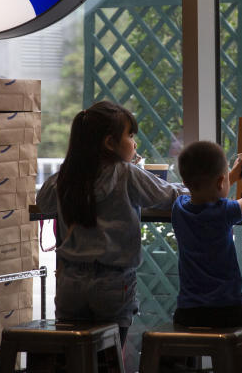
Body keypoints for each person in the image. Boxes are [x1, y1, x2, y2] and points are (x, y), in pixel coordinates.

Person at [36, 101, 186, 345]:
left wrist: (70, 173)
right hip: (113, 284)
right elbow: (168, 196)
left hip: (69, 284)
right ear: (109, 143)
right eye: (129, 135)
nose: (134, 143)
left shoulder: (67, 177)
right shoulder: (126, 173)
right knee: (110, 357)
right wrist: (201, 190)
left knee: (75, 355)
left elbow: (43, 202)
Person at [171, 141, 242, 344]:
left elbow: (209, 190)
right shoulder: (224, 211)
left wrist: (231, 174)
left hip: (186, 311)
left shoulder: (179, 208)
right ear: (220, 182)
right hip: (226, 309)